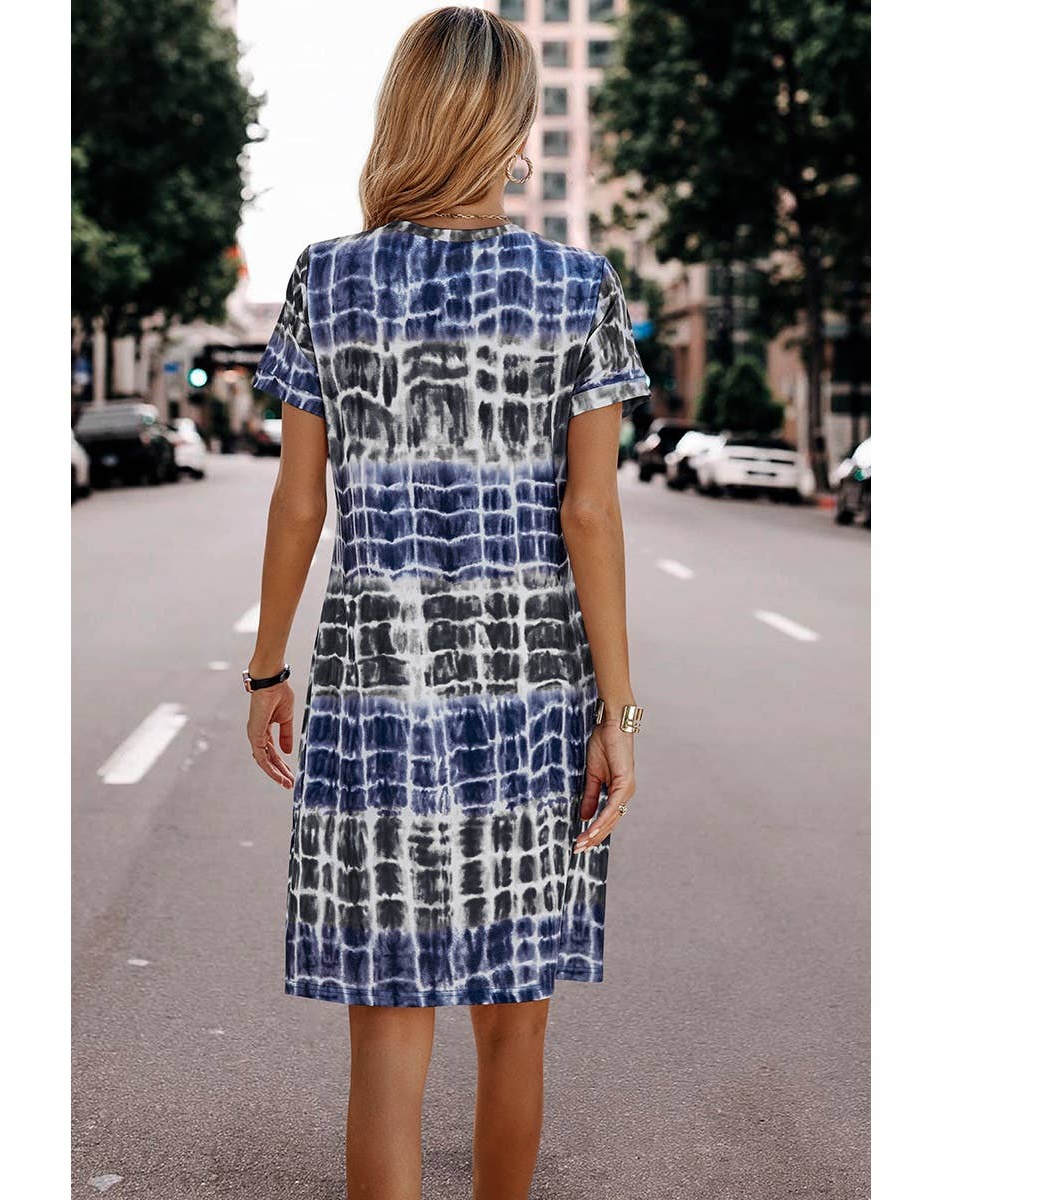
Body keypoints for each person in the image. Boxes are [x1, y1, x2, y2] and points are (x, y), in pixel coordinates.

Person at [244, 8, 649, 1199]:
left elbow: (299, 504)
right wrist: (619, 714)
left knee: (386, 1040)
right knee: (515, 1021)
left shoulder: (328, 277)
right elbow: (590, 515)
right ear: (513, 135)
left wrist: (267, 670)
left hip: (376, 694)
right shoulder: (577, 287)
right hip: (529, 698)